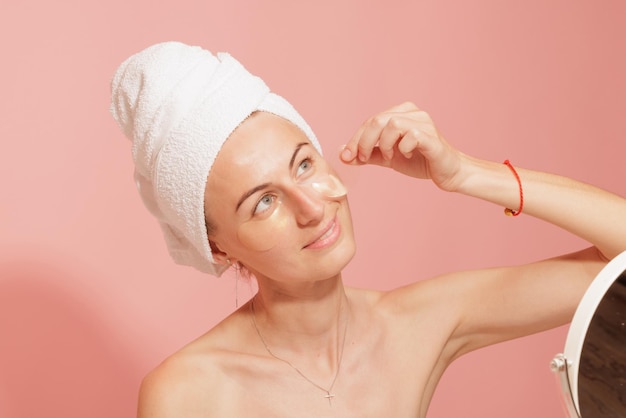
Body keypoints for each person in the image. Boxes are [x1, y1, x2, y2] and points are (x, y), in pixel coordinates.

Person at [110, 42, 626, 418]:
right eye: (264, 202)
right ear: (218, 247)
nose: (312, 207)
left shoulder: (420, 323)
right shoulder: (187, 393)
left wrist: (467, 173)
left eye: (304, 165)